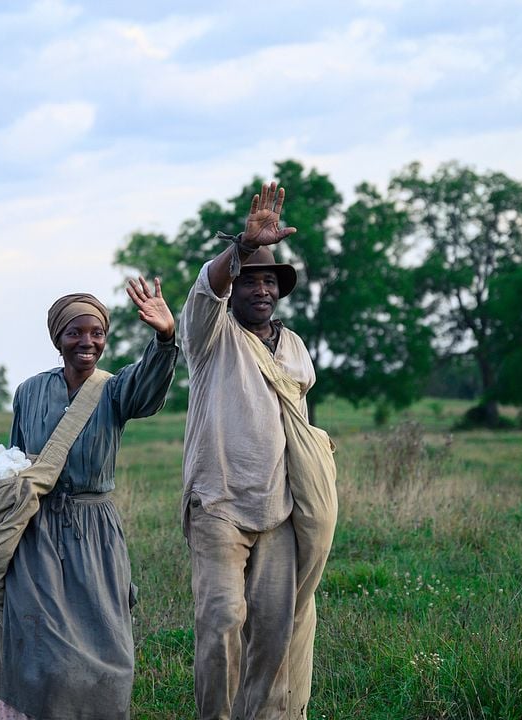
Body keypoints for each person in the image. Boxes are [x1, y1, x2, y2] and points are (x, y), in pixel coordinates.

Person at [0, 277, 178, 720]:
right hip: (37, 532)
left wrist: (164, 337)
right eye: (75, 333)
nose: (87, 342)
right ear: (57, 339)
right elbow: (16, 461)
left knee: (108, 653)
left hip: (95, 535)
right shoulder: (29, 392)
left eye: (97, 333)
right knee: (40, 652)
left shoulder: (115, 390)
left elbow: (149, 387)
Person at [180, 182, 337, 719]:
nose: (262, 289)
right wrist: (242, 249)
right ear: (235, 288)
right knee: (222, 623)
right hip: (219, 507)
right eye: (251, 280)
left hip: (278, 512)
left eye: (271, 280)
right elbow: (208, 286)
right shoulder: (209, 334)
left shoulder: (293, 345)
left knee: (274, 635)